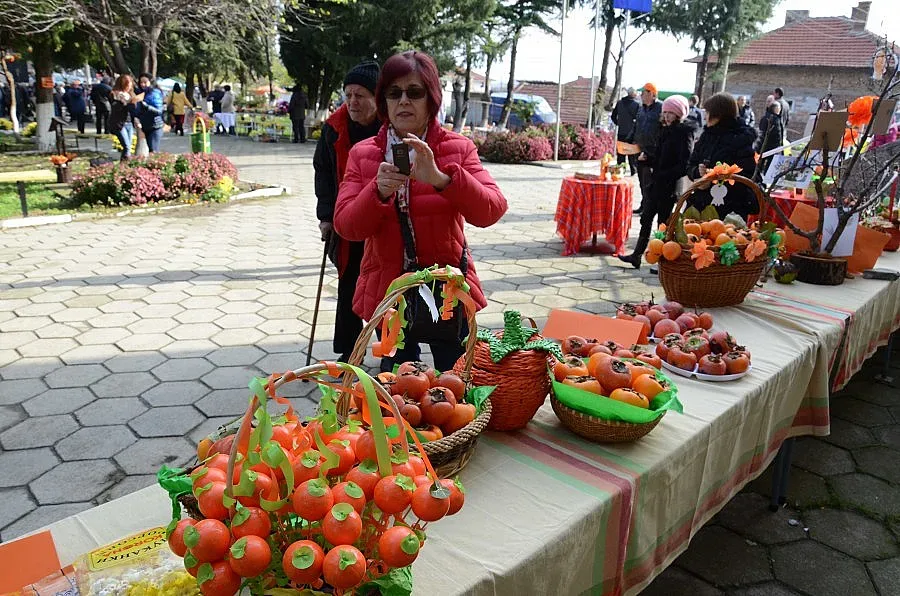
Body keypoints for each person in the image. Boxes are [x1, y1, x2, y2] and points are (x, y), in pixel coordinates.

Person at [333, 50, 508, 372]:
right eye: (393, 93)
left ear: (432, 99)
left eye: (414, 92)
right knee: (398, 393)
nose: (403, 101)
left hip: (448, 291)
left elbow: (492, 211)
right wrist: (378, 190)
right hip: (388, 291)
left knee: (455, 385)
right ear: (384, 101)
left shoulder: (458, 148)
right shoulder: (363, 154)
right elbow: (346, 226)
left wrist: (443, 180)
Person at [314, 60, 382, 363]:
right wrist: (326, 216)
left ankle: (391, 351)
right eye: (348, 95)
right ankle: (349, 352)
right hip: (349, 218)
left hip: (384, 220)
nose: (352, 102)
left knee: (386, 286)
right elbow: (324, 174)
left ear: (376, 98)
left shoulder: (391, 127)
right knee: (349, 284)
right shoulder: (334, 128)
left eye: (360, 95)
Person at [619, 95, 697, 269]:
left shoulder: (684, 133)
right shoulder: (664, 130)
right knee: (646, 218)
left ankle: (663, 260)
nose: (667, 116)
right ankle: (637, 255)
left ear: (679, 115)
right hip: (656, 184)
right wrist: (647, 159)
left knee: (663, 223)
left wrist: (664, 173)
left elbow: (684, 164)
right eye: (666, 112)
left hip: (670, 186)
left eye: (672, 113)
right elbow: (661, 157)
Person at [686, 92, 759, 221]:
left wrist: (716, 181)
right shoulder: (706, 136)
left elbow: (747, 177)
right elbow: (691, 164)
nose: (705, 117)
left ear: (718, 115)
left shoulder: (741, 140)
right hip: (700, 207)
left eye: (707, 113)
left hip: (729, 212)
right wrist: (697, 173)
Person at [633, 83, 663, 214]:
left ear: (651, 93)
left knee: (649, 181)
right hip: (639, 148)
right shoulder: (641, 109)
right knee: (641, 180)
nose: (641, 95)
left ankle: (648, 207)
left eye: (643, 93)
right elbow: (637, 126)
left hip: (652, 151)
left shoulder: (660, 108)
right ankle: (644, 204)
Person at [109, 74, 138, 161]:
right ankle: (125, 167)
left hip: (129, 122)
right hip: (119, 123)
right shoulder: (115, 94)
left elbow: (133, 110)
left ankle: (123, 166)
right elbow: (115, 108)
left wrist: (134, 103)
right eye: (127, 85)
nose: (129, 87)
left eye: (130, 85)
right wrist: (124, 102)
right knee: (127, 146)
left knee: (128, 146)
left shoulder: (130, 94)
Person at [611, 87, 639, 176]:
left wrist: (618, 123)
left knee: (621, 154)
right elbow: (639, 119)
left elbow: (613, 116)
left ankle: (620, 171)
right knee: (631, 154)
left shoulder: (619, 103)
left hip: (621, 132)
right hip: (631, 133)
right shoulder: (636, 105)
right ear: (634, 95)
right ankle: (633, 170)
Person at [135, 73, 165, 153]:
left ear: (150, 82)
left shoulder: (155, 93)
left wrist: (147, 107)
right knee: (151, 150)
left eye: (145, 82)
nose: (143, 84)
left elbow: (159, 111)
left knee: (153, 150)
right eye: (141, 82)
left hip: (155, 125)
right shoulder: (141, 93)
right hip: (145, 126)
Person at [755, 100, 784, 178]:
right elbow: (764, 132)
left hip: (773, 147)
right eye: (779, 108)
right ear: (775, 109)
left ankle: (764, 179)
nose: (780, 110)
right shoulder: (769, 118)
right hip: (768, 146)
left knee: (768, 166)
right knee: (762, 165)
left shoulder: (776, 118)